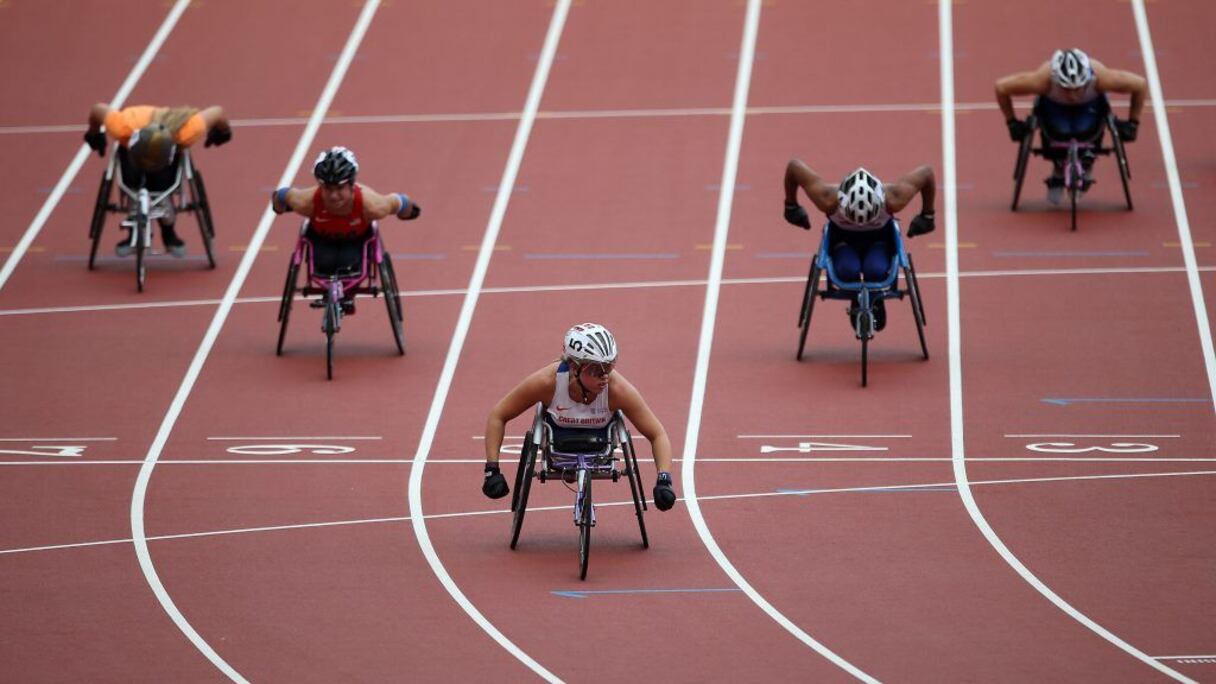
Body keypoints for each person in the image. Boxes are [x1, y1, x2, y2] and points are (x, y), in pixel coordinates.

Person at [480, 323, 677, 512]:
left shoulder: (618, 390)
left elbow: (657, 434)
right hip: (557, 435)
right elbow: (498, 415)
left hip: (601, 438)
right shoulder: (546, 383)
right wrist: (492, 469)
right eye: (595, 369)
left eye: (609, 367)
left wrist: (664, 479)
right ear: (574, 367)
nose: (604, 376)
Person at [782, 162, 936, 331]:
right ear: (843, 203)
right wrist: (791, 206)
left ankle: (875, 299)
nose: (861, 224)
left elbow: (927, 173)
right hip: (844, 240)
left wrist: (928, 215)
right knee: (847, 270)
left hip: (879, 239)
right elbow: (793, 167)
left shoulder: (893, 198)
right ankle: (857, 297)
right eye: (853, 218)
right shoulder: (828, 199)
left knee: (875, 269)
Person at [270, 146, 421, 314]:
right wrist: (278, 206)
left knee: (349, 264)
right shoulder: (306, 202)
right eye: (328, 188)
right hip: (321, 240)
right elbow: (283, 195)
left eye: (339, 188)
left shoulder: (372, 205)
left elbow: (397, 202)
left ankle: (346, 294)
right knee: (325, 262)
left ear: (351, 185)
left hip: (357, 242)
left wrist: (411, 210)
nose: (334, 196)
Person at [995, 48, 1147, 203]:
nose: (1072, 96)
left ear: (1087, 79)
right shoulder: (1043, 79)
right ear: (1056, 79)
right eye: (1066, 89)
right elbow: (1001, 87)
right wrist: (1012, 123)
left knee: (1084, 128)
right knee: (1060, 130)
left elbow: (1140, 85)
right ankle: (1058, 167)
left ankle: (1087, 160)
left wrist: (1133, 123)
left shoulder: (1101, 77)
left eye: (1077, 88)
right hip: (1054, 107)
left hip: (1089, 107)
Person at [85, 103, 232, 257]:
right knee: (131, 179)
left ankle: (168, 231)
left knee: (162, 182)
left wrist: (223, 132)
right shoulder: (122, 126)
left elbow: (218, 112)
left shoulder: (186, 132)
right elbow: (97, 110)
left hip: (168, 157)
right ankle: (134, 228)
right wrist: (94, 133)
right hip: (132, 153)